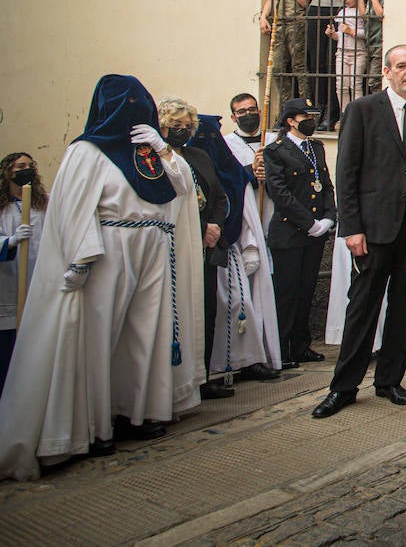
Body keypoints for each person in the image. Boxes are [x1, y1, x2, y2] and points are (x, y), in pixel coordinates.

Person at [0, 75, 201, 480]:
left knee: (147, 332)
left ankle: (140, 410)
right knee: (99, 336)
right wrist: (80, 255)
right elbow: (74, 206)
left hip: (155, 245)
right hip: (110, 246)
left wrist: (164, 149)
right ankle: (95, 425)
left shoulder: (150, 151)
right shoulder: (87, 150)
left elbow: (182, 188)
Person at [312, 45, 406, 418]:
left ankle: (389, 380)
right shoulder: (363, 111)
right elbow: (347, 172)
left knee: (405, 307)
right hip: (374, 229)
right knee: (363, 307)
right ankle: (343, 387)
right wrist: (351, 227)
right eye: (402, 66)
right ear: (386, 72)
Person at [190, 116, 281, 383]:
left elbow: (236, 187)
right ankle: (210, 369)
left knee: (240, 304)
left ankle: (245, 360)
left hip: (231, 247)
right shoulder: (189, 163)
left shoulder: (226, 164)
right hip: (202, 251)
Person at [160, 96, 232, 401]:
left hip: (208, 242)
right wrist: (201, 228)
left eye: (187, 126)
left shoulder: (199, 156)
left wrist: (214, 226)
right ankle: (175, 379)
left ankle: (201, 376)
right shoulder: (157, 160)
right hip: (179, 244)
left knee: (206, 309)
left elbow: (217, 194)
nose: (182, 130)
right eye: (175, 125)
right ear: (162, 126)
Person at [263, 98, 335, 369]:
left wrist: (328, 217)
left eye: (313, 115)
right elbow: (280, 195)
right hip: (289, 232)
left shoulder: (316, 148)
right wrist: (309, 223)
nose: (311, 120)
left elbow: (326, 183)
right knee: (287, 293)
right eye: (306, 116)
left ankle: (301, 346)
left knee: (306, 291)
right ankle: (282, 350)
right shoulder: (276, 151)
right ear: (291, 120)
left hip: (315, 232)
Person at [299, 0, 362, 130]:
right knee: (317, 63)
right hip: (317, 8)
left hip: (341, 10)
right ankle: (319, 110)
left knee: (335, 63)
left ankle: (334, 113)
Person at [0, 152, 45, 395]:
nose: (27, 169)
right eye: (20, 166)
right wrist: (10, 241)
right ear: (8, 172)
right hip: (8, 287)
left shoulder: (44, 204)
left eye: (30, 165)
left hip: (37, 284)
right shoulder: (2, 207)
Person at [260, 0, 310, 119]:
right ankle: (284, 111)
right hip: (277, 23)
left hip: (295, 21)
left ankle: (306, 109)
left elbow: (304, 1)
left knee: (300, 68)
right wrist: (264, 17)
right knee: (278, 68)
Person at [325, 0, 367, 114]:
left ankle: (357, 114)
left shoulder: (362, 12)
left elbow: (367, 33)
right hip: (342, 52)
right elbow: (340, 36)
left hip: (358, 52)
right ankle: (345, 114)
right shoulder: (342, 12)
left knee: (356, 85)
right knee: (341, 86)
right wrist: (333, 34)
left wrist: (351, 31)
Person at [362, 0, 385, 94]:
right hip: (370, 42)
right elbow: (364, 15)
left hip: (379, 41)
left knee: (375, 81)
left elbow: (380, 14)